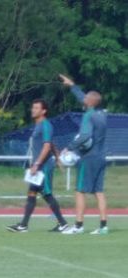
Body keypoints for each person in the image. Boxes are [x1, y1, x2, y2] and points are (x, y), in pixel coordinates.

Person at [7, 99, 68, 233]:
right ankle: (23, 225)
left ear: (43, 111)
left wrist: (37, 164)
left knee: (47, 194)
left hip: (44, 166)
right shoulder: (39, 125)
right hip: (39, 166)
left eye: (36, 108)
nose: (33, 110)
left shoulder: (46, 125)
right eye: (33, 107)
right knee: (32, 193)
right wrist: (58, 158)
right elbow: (51, 143)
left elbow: (47, 146)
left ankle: (63, 224)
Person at [59, 74, 109, 235]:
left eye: (85, 98)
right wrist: (72, 85)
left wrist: (70, 147)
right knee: (99, 192)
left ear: (89, 102)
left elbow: (85, 136)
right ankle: (103, 227)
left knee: (80, 191)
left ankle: (78, 226)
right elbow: (85, 98)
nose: (83, 99)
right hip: (101, 157)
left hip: (88, 158)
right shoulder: (101, 115)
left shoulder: (88, 115)